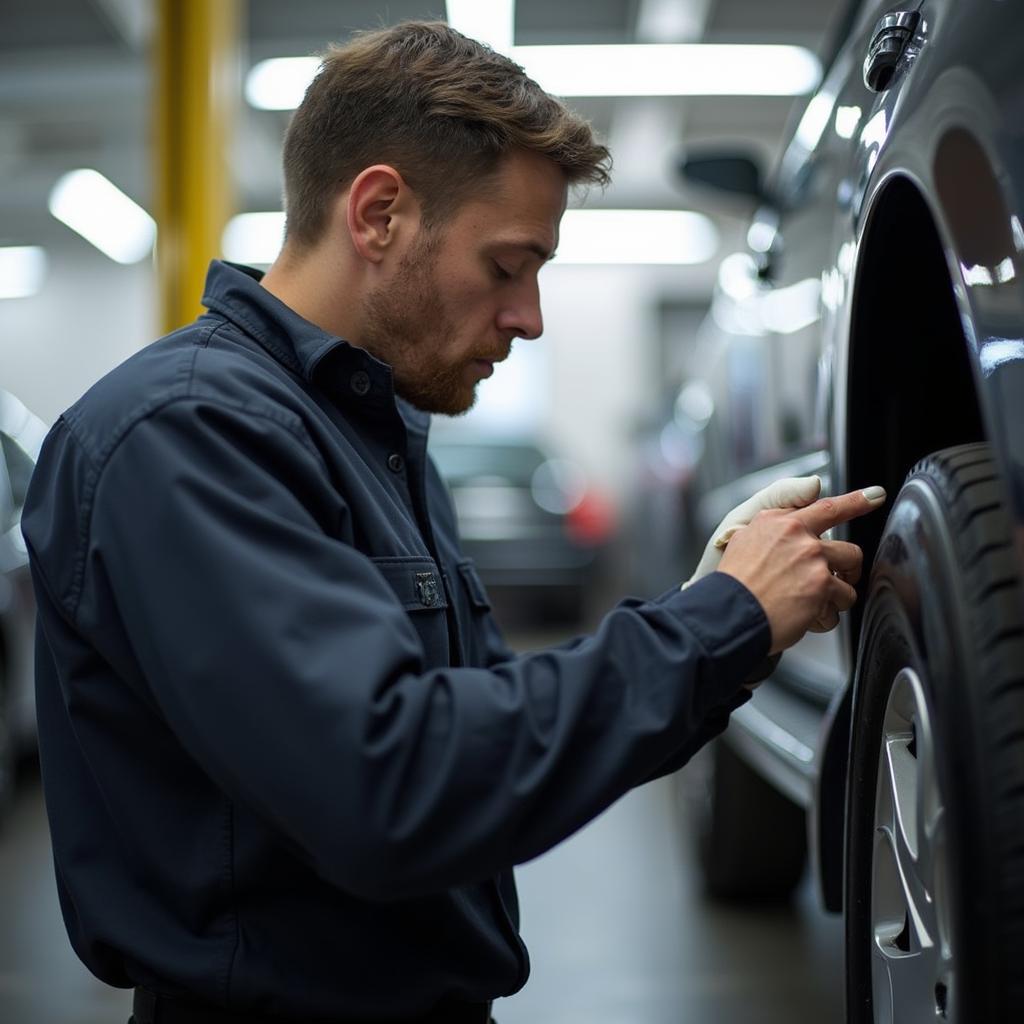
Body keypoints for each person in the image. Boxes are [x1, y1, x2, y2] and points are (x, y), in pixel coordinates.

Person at [21, 21, 884, 1024]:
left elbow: (480, 725)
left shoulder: (366, 433)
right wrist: (715, 624)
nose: (530, 317)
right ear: (380, 213)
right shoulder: (187, 435)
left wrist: (704, 607)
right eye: (508, 264)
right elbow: (392, 787)